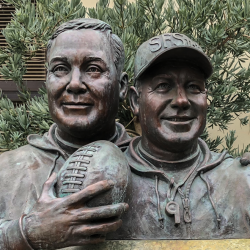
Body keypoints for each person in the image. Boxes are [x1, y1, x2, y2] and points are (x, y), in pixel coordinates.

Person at [0, 18, 130, 249]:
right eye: (60, 69)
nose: (74, 84)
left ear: (121, 87)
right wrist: (25, 233)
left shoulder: (151, 168)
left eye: (93, 69)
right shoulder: (5, 171)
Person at [109, 33, 250, 240]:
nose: (182, 100)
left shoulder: (241, 181)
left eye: (194, 87)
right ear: (135, 102)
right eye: (163, 86)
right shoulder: (106, 180)